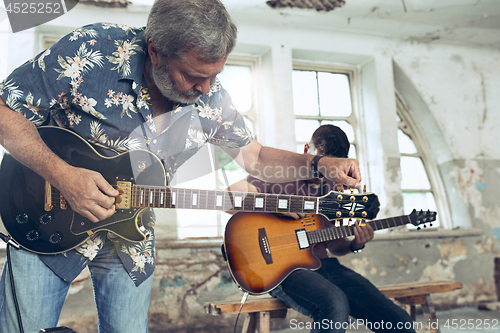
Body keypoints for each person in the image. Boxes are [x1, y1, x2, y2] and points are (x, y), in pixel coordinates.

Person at [0, 1, 361, 332]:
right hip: (43, 219)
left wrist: (320, 164)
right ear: (155, 50)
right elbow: (4, 110)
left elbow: (256, 157)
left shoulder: (212, 97)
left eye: (215, 75)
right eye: (193, 76)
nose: (206, 88)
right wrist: (63, 175)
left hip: (131, 240)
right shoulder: (92, 49)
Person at [228, 124, 416, 333]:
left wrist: (355, 244)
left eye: (330, 168)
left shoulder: (332, 192)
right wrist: (274, 204)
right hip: (283, 270)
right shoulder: (279, 173)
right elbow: (229, 198)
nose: (323, 174)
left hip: (324, 265)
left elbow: (334, 246)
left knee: (399, 320)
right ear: (308, 150)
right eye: (322, 164)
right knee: (335, 305)